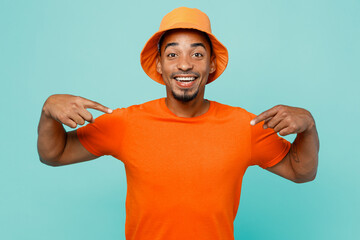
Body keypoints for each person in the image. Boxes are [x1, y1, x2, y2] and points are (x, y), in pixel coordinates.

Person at [37, 7, 319, 240]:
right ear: (159, 65)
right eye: (172, 54)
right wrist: (48, 111)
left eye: (197, 54)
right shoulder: (126, 123)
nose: (185, 65)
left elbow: (301, 171)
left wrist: (308, 127)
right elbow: (55, 154)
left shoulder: (244, 126)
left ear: (211, 64)